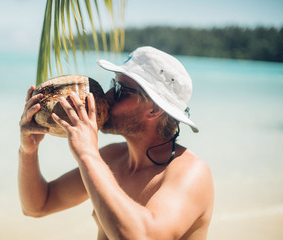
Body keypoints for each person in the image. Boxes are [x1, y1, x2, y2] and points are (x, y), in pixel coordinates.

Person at [18, 46, 214, 240]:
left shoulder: (191, 172)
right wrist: (28, 151)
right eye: (114, 84)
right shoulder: (112, 157)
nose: (109, 95)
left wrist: (87, 154)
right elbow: (38, 206)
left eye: (121, 90)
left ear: (154, 109)